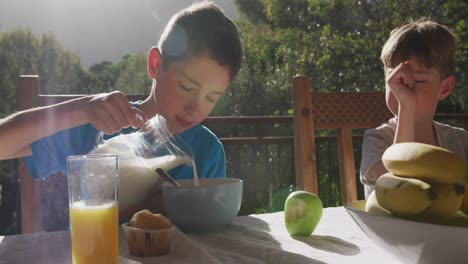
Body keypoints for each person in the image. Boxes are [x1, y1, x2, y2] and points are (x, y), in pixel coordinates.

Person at [0, 0, 243, 227]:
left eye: (212, 98)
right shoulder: (100, 125)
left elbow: (210, 233)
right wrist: (83, 108)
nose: (196, 107)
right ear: (155, 65)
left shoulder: (207, 150)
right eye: (187, 87)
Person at [360, 18, 468, 198]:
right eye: (397, 80)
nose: (405, 90)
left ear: (445, 88)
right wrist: (406, 107)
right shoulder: (377, 140)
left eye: (419, 81)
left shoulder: (461, 142)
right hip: (391, 227)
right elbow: (398, 192)